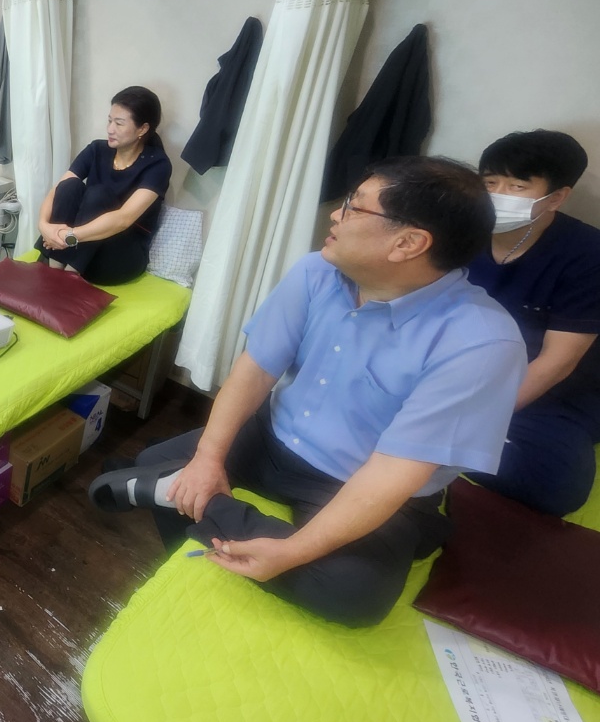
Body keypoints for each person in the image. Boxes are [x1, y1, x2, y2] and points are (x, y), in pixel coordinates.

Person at [90, 157, 526, 627]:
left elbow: (389, 476)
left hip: (358, 480)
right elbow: (255, 371)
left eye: (355, 208)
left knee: (353, 595)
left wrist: (292, 552)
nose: (336, 215)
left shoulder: (482, 345)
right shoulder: (316, 271)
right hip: (273, 435)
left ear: (408, 243)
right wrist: (208, 459)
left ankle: (189, 502)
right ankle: (181, 495)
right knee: (158, 460)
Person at [466, 130, 600, 516]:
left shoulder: (588, 255)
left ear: (556, 197)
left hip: (549, 393)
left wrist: (479, 414)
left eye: (517, 186)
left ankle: (437, 444)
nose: (498, 195)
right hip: (463, 371)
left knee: (558, 484)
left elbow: (557, 362)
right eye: (490, 183)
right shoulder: (462, 234)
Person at [35, 86, 172, 286]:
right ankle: (54, 270)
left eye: (119, 123)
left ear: (143, 129)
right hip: (75, 245)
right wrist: (44, 226)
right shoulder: (97, 149)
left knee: (98, 195)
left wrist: (68, 237)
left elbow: (123, 219)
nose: (110, 129)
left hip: (118, 256)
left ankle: (68, 279)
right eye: (109, 121)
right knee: (70, 186)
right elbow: (58, 190)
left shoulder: (157, 165)